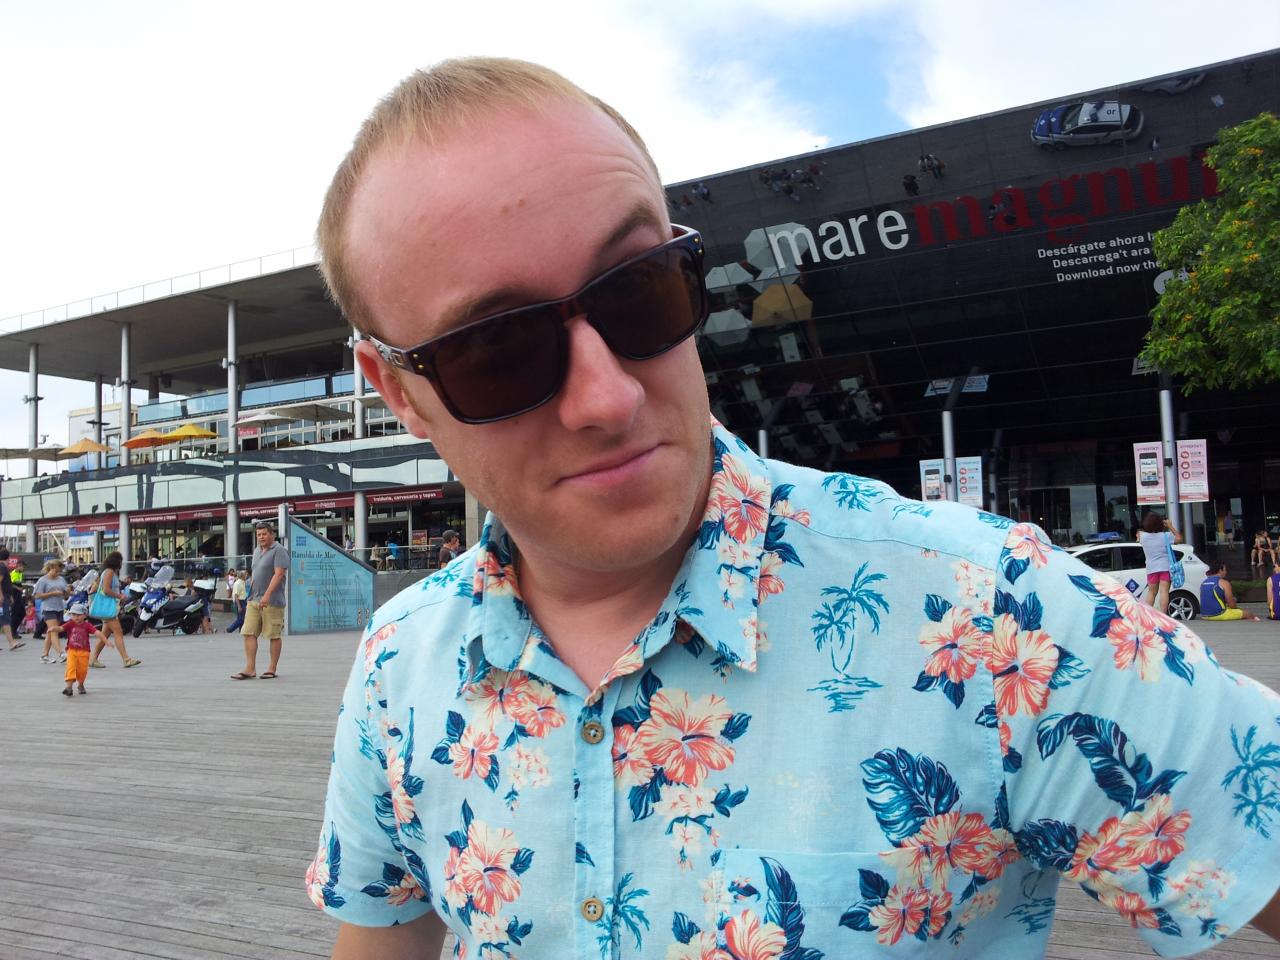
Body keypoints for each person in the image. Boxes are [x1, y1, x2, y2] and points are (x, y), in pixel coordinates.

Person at [306, 58, 1280, 957]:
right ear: (396, 393)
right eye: (495, 350)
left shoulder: (990, 612)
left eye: (639, 291)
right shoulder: (400, 665)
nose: (607, 395)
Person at [231, 520, 289, 680]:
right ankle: (250, 668)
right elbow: (255, 573)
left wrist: (267, 594)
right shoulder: (257, 550)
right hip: (253, 600)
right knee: (248, 632)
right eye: (258, 535)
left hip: (272, 601)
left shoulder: (279, 550)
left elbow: (279, 574)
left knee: (273, 635)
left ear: (272, 535)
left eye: (264, 534)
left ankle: (272, 668)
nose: (261, 537)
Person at [88, 552, 141, 669]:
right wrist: (119, 596)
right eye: (121, 560)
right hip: (108, 608)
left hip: (108, 608)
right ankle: (126, 659)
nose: (122, 563)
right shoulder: (109, 572)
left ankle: (93, 658)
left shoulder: (108, 572)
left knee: (105, 634)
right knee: (118, 631)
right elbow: (106, 590)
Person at [1138, 511, 1181, 614]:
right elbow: (1179, 539)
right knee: (1164, 592)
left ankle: (1147, 615)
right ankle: (1163, 615)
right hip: (1165, 567)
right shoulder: (1165, 536)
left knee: (1151, 592)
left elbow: (1141, 533)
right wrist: (1170, 526)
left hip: (1151, 568)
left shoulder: (1142, 536)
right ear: (1160, 524)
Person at [60, 602, 102, 697]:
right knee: (70, 668)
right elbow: (60, 628)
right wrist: (53, 629)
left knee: (82, 671)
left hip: (84, 652)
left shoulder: (87, 625)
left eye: (78, 615)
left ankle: (80, 685)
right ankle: (69, 688)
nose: (76, 617)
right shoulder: (70, 624)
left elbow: (97, 632)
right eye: (73, 614)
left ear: (84, 615)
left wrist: (105, 641)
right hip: (71, 651)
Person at [33, 559, 69, 663]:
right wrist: (52, 593)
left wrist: (67, 593)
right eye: (56, 571)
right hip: (48, 608)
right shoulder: (43, 580)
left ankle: (44, 655)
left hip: (59, 607)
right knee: (54, 631)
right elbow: (37, 596)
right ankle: (62, 653)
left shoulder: (61, 579)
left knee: (50, 633)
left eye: (59, 572)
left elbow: (65, 595)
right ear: (51, 568)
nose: (58, 573)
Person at [0, 549, 23, 651]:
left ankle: (12, 642)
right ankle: (12, 643)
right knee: (5, 619)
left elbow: (6, 584)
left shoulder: (3, 567)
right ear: (8, 558)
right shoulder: (2, 567)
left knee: (4, 619)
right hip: (2, 598)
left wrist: (10, 596)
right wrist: (1, 596)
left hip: (6, 596)